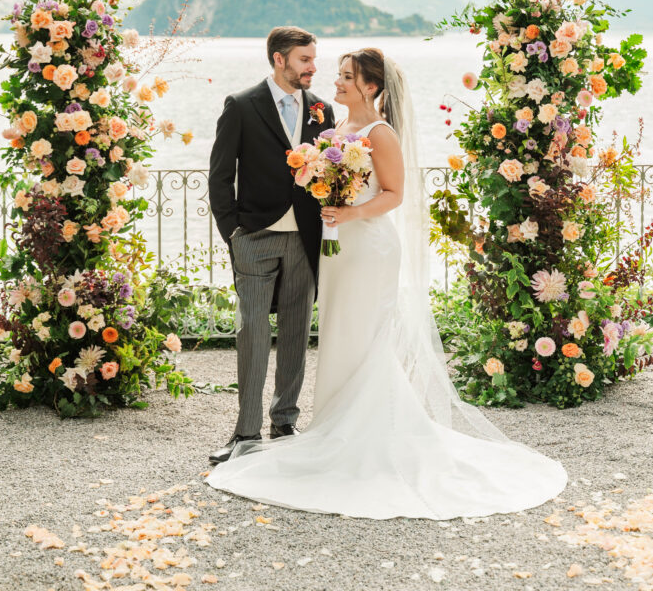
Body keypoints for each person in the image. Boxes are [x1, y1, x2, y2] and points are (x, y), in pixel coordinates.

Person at [206, 47, 567, 518]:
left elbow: (395, 194)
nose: (334, 81)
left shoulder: (380, 133)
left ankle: (367, 434)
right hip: (337, 249)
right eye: (337, 74)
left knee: (364, 337)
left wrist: (350, 211)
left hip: (369, 249)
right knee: (339, 336)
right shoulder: (336, 129)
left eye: (346, 76)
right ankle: (333, 426)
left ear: (371, 87)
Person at [207, 26, 335, 465]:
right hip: (255, 237)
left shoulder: (322, 109)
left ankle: (285, 421)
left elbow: (330, 173)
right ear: (279, 59)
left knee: (298, 332)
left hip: (305, 238)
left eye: (314, 59)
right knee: (253, 334)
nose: (313, 68)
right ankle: (246, 432)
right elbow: (220, 177)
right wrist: (234, 234)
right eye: (304, 60)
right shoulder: (241, 106)